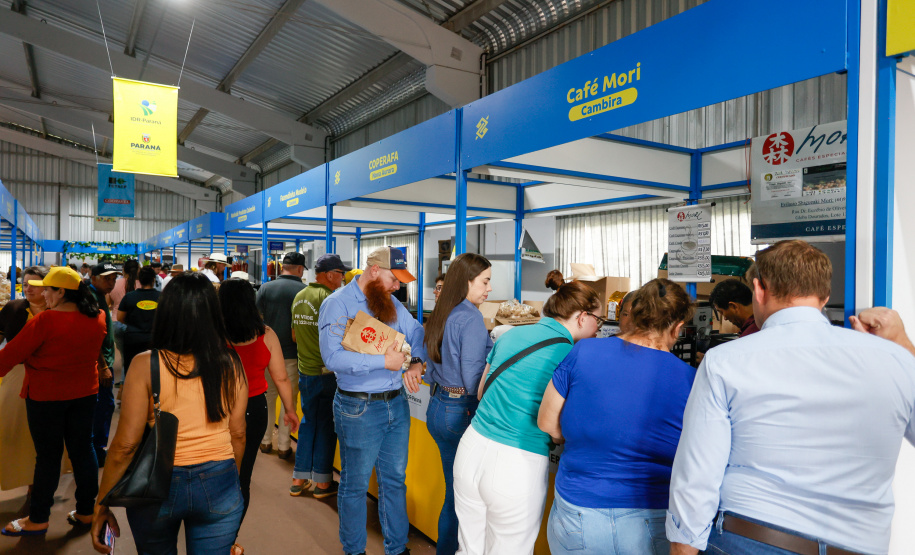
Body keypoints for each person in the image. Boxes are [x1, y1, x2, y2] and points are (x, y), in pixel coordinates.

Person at [667, 240, 915, 555]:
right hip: (859, 546)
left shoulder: (725, 362)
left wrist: (682, 548)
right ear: (824, 296)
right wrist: (904, 346)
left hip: (753, 537)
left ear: (759, 289)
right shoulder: (895, 360)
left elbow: (698, 472)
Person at [91, 272, 248, 555]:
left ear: (166, 312)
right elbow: (238, 433)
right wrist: (229, 482)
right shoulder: (230, 362)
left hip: (157, 484)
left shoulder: (146, 364)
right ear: (213, 314)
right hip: (220, 478)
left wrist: (102, 502)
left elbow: (126, 446)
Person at [538, 279, 695, 555]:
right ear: (678, 327)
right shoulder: (690, 379)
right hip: (652, 517)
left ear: (632, 313)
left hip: (579, 512)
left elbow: (547, 423)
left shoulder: (583, 351)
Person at [453, 281, 602, 555]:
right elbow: (557, 427)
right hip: (517, 464)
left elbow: (482, 390)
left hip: (471, 448)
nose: (599, 328)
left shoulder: (510, 335)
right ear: (582, 317)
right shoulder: (572, 355)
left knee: (469, 548)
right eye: (598, 320)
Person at [318, 246, 426, 555]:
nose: (398, 287)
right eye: (394, 279)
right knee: (355, 485)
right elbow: (332, 357)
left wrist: (416, 360)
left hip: (396, 403)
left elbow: (415, 331)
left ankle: (397, 547)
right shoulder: (337, 304)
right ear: (375, 271)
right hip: (358, 407)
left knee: (394, 480)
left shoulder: (390, 303)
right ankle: (354, 550)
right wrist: (384, 362)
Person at [0, 266, 106, 536]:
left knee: (47, 457)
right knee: (83, 451)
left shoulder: (45, 321)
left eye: (47, 288)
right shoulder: (98, 317)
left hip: (46, 396)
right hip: (85, 393)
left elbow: (9, 356)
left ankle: (38, 519)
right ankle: (85, 512)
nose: (42, 293)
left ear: (62, 292)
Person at [423, 253, 493, 555]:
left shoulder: (443, 311)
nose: (489, 289)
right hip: (460, 410)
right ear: (467, 281)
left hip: (438, 405)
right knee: (460, 499)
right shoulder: (471, 318)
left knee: (454, 492)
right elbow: (473, 377)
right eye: (485, 281)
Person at [219, 278, 298, 535]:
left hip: (215, 408)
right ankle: (230, 536)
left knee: (212, 471)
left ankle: (210, 532)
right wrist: (289, 410)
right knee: (242, 476)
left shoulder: (212, 333)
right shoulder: (266, 334)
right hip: (253, 409)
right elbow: (281, 377)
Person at [290, 253, 350, 498]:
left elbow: (294, 336)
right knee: (326, 426)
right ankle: (323, 483)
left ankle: (298, 478)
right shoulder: (330, 298)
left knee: (308, 423)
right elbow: (342, 338)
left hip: (306, 371)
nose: (343, 279)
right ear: (330, 275)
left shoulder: (300, 296)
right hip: (326, 373)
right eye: (341, 274)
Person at [0, 266, 48, 494]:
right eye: (25, 283)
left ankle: (36, 485)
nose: (28, 288)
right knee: (12, 430)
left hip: (49, 377)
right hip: (16, 375)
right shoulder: (13, 308)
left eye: (34, 284)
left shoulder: (59, 310)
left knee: (40, 434)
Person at [255, 251, 306, 459]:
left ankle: (265, 441)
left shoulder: (265, 288)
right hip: (291, 355)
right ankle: (285, 446)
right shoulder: (304, 291)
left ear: (282, 267)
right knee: (289, 401)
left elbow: (256, 320)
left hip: (266, 354)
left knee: (267, 399)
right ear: (300, 269)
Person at [88, 263, 118, 466]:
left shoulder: (97, 296)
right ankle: (97, 452)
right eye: (107, 278)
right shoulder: (90, 298)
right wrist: (103, 366)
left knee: (103, 407)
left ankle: (97, 450)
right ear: (93, 277)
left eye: (114, 279)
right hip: (99, 365)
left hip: (103, 361)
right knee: (102, 407)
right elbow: (92, 335)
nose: (112, 282)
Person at [116, 266, 160, 374]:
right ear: (153, 279)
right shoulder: (162, 297)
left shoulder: (129, 297)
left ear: (139, 280)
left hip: (133, 339)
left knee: (132, 370)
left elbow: (119, 317)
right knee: (153, 371)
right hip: (155, 340)